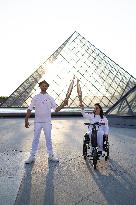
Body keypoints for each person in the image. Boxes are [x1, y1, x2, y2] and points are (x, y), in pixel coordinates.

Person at [25, 80, 68, 164]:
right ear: (40, 86)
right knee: (35, 139)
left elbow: (56, 109)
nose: (44, 87)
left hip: (47, 122)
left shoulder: (50, 98)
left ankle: (51, 155)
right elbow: (30, 108)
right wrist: (26, 119)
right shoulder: (36, 97)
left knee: (48, 139)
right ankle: (32, 156)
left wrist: (63, 105)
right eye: (42, 85)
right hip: (37, 122)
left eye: (45, 86)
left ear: (47, 87)